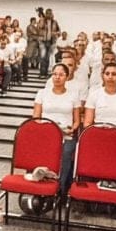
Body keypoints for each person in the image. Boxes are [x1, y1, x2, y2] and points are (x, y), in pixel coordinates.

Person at [33, 63, 80, 194]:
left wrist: (72, 129)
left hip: (66, 133)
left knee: (66, 152)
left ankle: (60, 188)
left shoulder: (73, 95)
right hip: (46, 131)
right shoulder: (42, 93)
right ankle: (39, 183)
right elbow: (36, 117)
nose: (57, 77)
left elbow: (77, 121)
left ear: (67, 77)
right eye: (54, 74)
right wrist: (45, 128)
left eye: (61, 75)